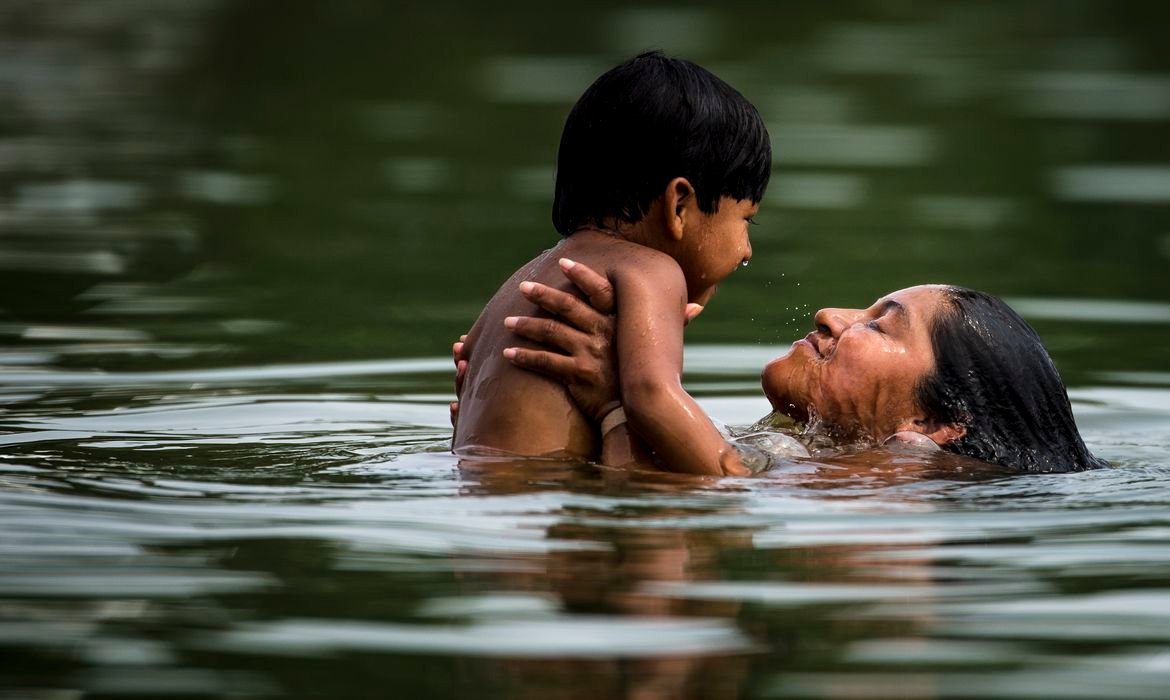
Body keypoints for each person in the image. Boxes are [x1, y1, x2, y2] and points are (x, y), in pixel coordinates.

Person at [461, 261, 1107, 474]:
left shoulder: (889, 486)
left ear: (931, 421)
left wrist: (619, 399)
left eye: (879, 324)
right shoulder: (818, 460)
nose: (830, 314)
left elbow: (679, 512)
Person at [453, 52, 771, 476]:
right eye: (746, 220)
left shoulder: (523, 279)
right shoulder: (653, 271)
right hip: (549, 507)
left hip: (476, 503)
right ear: (679, 205)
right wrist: (732, 471)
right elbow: (651, 396)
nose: (747, 250)